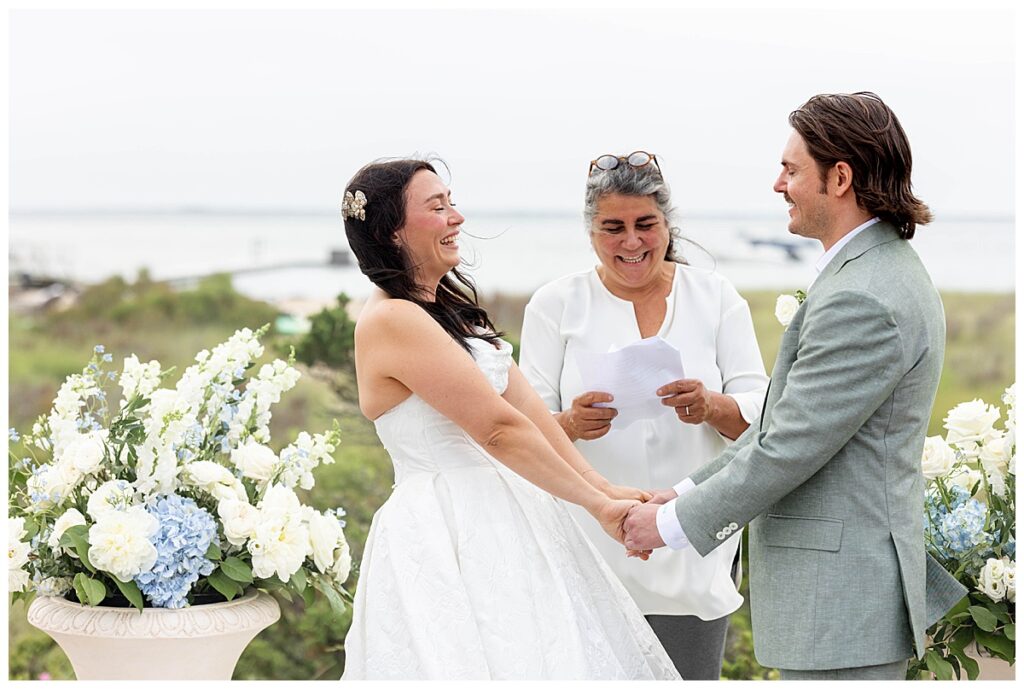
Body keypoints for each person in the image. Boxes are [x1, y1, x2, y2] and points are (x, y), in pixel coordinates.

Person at [622, 93, 968, 680]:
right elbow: (781, 426)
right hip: (838, 606)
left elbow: (790, 447)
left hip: (840, 603)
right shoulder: (872, 273)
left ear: (840, 177)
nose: (778, 184)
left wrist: (671, 525)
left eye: (791, 169)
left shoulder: (865, 295)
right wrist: (679, 493)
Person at [338, 158, 680, 680]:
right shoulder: (391, 318)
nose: (456, 217)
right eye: (438, 207)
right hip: (445, 529)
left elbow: (531, 416)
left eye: (451, 202)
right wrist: (595, 506)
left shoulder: (450, 311)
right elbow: (498, 429)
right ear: (392, 231)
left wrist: (604, 489)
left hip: (515, 516)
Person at [518, 151, 769, 680]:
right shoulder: (555, 305)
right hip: (590, 548)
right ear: (591, 233)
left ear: (666, 225)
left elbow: (764, 421)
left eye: (645, 225)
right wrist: (568, 424)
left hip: (691, 547)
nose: (631, 242)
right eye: (613, 227)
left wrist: (710, 406)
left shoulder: (717, 297)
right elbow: (524, 425)